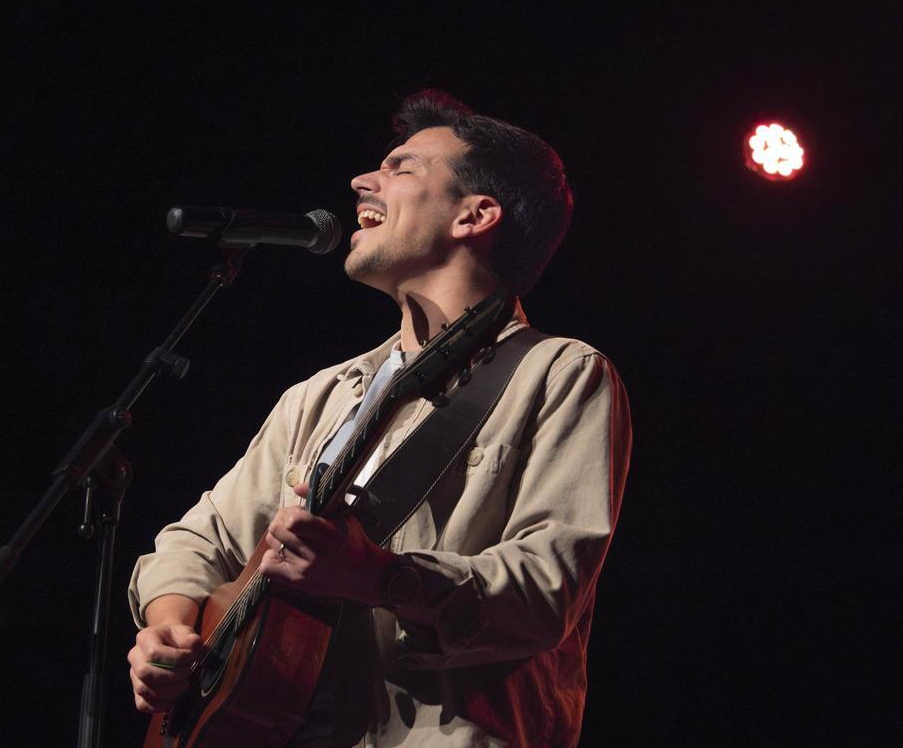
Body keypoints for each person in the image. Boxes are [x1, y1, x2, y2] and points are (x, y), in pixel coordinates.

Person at [127, 90, 632, 747]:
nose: (362, 181)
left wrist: (378, 576)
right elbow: (198, 539)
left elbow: (546, 591)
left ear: (474, 215)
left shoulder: (561, 375)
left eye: (401, 168)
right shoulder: (321, 396)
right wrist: (171, 630)